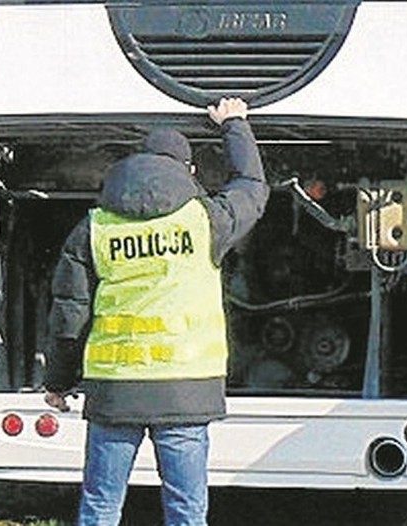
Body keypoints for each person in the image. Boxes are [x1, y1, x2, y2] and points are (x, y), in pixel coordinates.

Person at [43, 97, 269, 526]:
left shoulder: (93, 229)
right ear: (189, 172)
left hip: (114, 395)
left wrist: (58, 382)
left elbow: (69, 316)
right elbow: (253, 189)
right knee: (186, 512)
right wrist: (235, 126)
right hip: (185, 392)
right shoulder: (206, 220)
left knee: (101, 508)